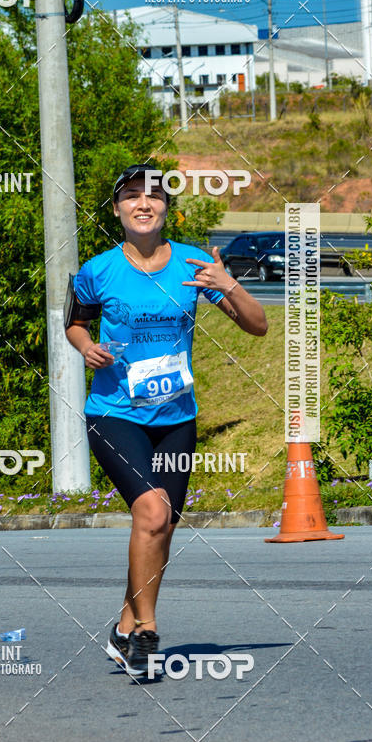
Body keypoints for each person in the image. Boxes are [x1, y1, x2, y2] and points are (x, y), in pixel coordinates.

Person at [65, 164, 268, 678]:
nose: (143, 203)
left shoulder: (194, 264)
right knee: (152, 513)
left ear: (165, 209)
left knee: (162, 527)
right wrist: (86, 348)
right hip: (114, 414)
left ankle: (123, 625)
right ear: (117, 209)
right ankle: (146, 632)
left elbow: (258, 326)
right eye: (131, 195)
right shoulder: (97, 270)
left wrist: (229, 284)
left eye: (153, 196)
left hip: (177, 418)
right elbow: (76, 323)